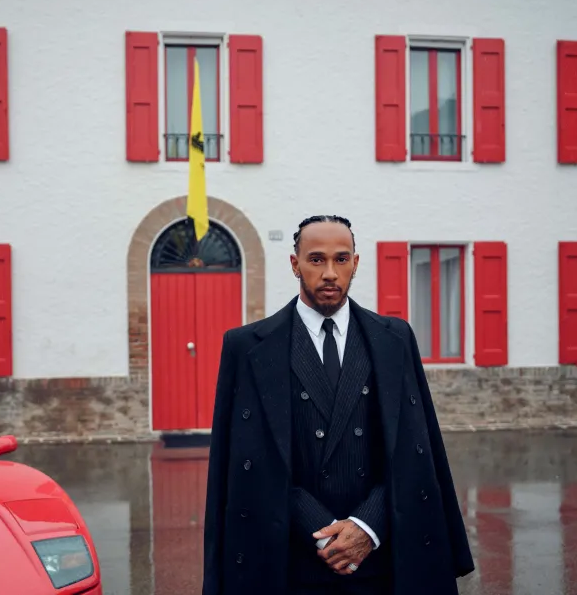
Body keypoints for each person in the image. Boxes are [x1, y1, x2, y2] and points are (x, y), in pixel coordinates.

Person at [202, 215, 474, 595]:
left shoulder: (394, 340)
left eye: (341, 259)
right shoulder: (246, 347)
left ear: (356, 264)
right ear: (295, 264)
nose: (330, 272)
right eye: (316, 260)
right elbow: (241, 466)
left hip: (380, 559)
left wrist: (366, 526)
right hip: (289, 563)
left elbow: (416, 451)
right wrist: (321, 529)